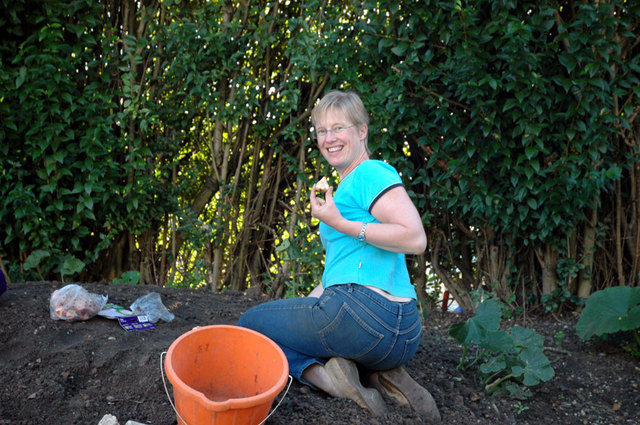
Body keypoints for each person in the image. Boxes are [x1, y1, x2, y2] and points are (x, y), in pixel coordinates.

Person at [238, 90, 440, 421]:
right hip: (404, 332)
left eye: (339, 128)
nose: (329, 138)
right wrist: (302, 315)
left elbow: (415, 238)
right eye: (321, 131)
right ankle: (381, 376)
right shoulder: (347, 188)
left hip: (360, 315)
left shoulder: (370, 172)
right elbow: (333, 278)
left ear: (362, 131)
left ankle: (330, 380)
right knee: (297, 325)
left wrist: (342, 224)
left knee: (249, 326)